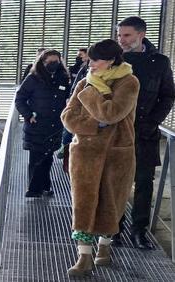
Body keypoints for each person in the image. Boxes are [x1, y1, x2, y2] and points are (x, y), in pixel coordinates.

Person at [61, 39, 139, 276]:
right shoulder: (85, 82)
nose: (91, 64)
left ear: (112, 60)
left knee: (111, 203)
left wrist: (91, 96)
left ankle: (104, 248)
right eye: (91, 59)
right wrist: (97, 125)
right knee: (83, 204)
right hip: (84, 153)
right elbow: (67, 117)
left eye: (96, 60)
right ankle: (83, 256)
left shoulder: (129, 82)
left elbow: (112, 113)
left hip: (117, 154)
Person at [113, 16, 175, 249]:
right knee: (115, 182)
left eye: (126, 35)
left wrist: (153, 121)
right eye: (119, 35)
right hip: (116, 133)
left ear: (141, 34)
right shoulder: (113, 58)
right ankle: (114, 229)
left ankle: (139, 231)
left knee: (144, 184)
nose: (122, 40)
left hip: (145, 132)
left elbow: (168, 95)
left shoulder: (159, 62)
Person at [15, 49, 70, 197]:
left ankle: (44, 186)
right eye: (50, 62)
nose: (53, 65)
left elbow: (68, 98)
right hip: (36, 125)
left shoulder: (63, 78)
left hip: (55, 125)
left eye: (56, 62)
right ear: (42, 62)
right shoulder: (33, 78)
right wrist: (28, 115)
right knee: (36, 157)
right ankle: (34, 189)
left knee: (48, 157)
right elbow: (20, 99)